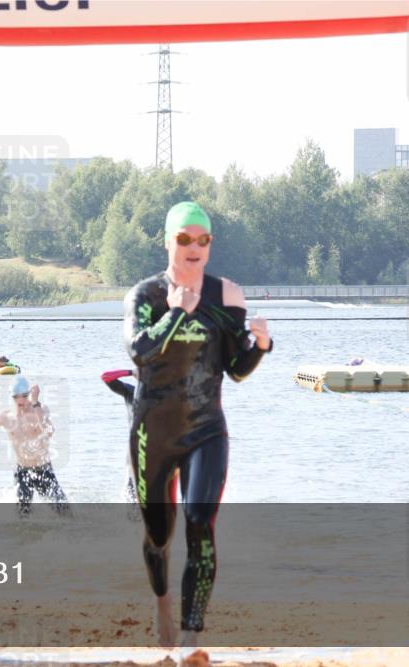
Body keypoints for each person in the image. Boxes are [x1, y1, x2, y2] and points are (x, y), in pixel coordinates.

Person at [123, 201, 272, 659]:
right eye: (183, 239)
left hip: (207, 427)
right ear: (168, 241)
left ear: (210, 245)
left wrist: (262, 346)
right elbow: (139, 353)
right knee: (158, 535)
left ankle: (192, 636)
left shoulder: (227, 295)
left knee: (200, 523)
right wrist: (173, 313)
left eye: (201, 240)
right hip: (154, 431)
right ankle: (163, 602)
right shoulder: (144, 295)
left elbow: (236, 368)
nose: (193, 247)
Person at [0, 376, 69, 517]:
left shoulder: (39, 410)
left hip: (43, 469)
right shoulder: (5, 417)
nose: (21, 400)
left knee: (65, 512)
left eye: (24, 396)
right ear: (11, 397)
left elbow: (48, 431)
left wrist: (36, 402)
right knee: (23, 517)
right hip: (22, 472)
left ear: (29, 394)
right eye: (16, 397)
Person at [100, 368, 142, 512]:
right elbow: (106, 376)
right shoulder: (130, 391)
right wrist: (130, 372)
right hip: (135, 447)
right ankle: (130, 517)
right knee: (132, 486)